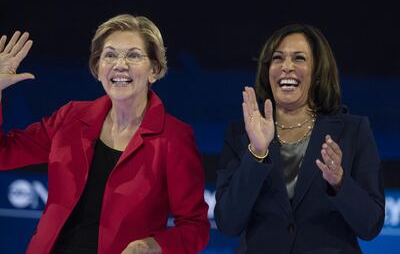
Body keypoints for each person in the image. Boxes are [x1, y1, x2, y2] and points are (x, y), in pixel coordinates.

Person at [0, 14, 210, 254]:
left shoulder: (174, 138)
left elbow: (195, 227)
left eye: (133, 55)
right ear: (97, 69)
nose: (120, 64)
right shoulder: (70, 118)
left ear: (154, 70)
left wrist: (151, 246)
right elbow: (3, 153)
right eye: (109, 55)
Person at [214, 24, 384, 254]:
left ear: (317, 72)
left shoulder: (353, 131)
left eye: (299, 58)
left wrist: (340, 182)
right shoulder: (240, 134)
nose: (286, 67)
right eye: (277, 58)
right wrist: (257, 153)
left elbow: (370, 225)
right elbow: (228, 223)